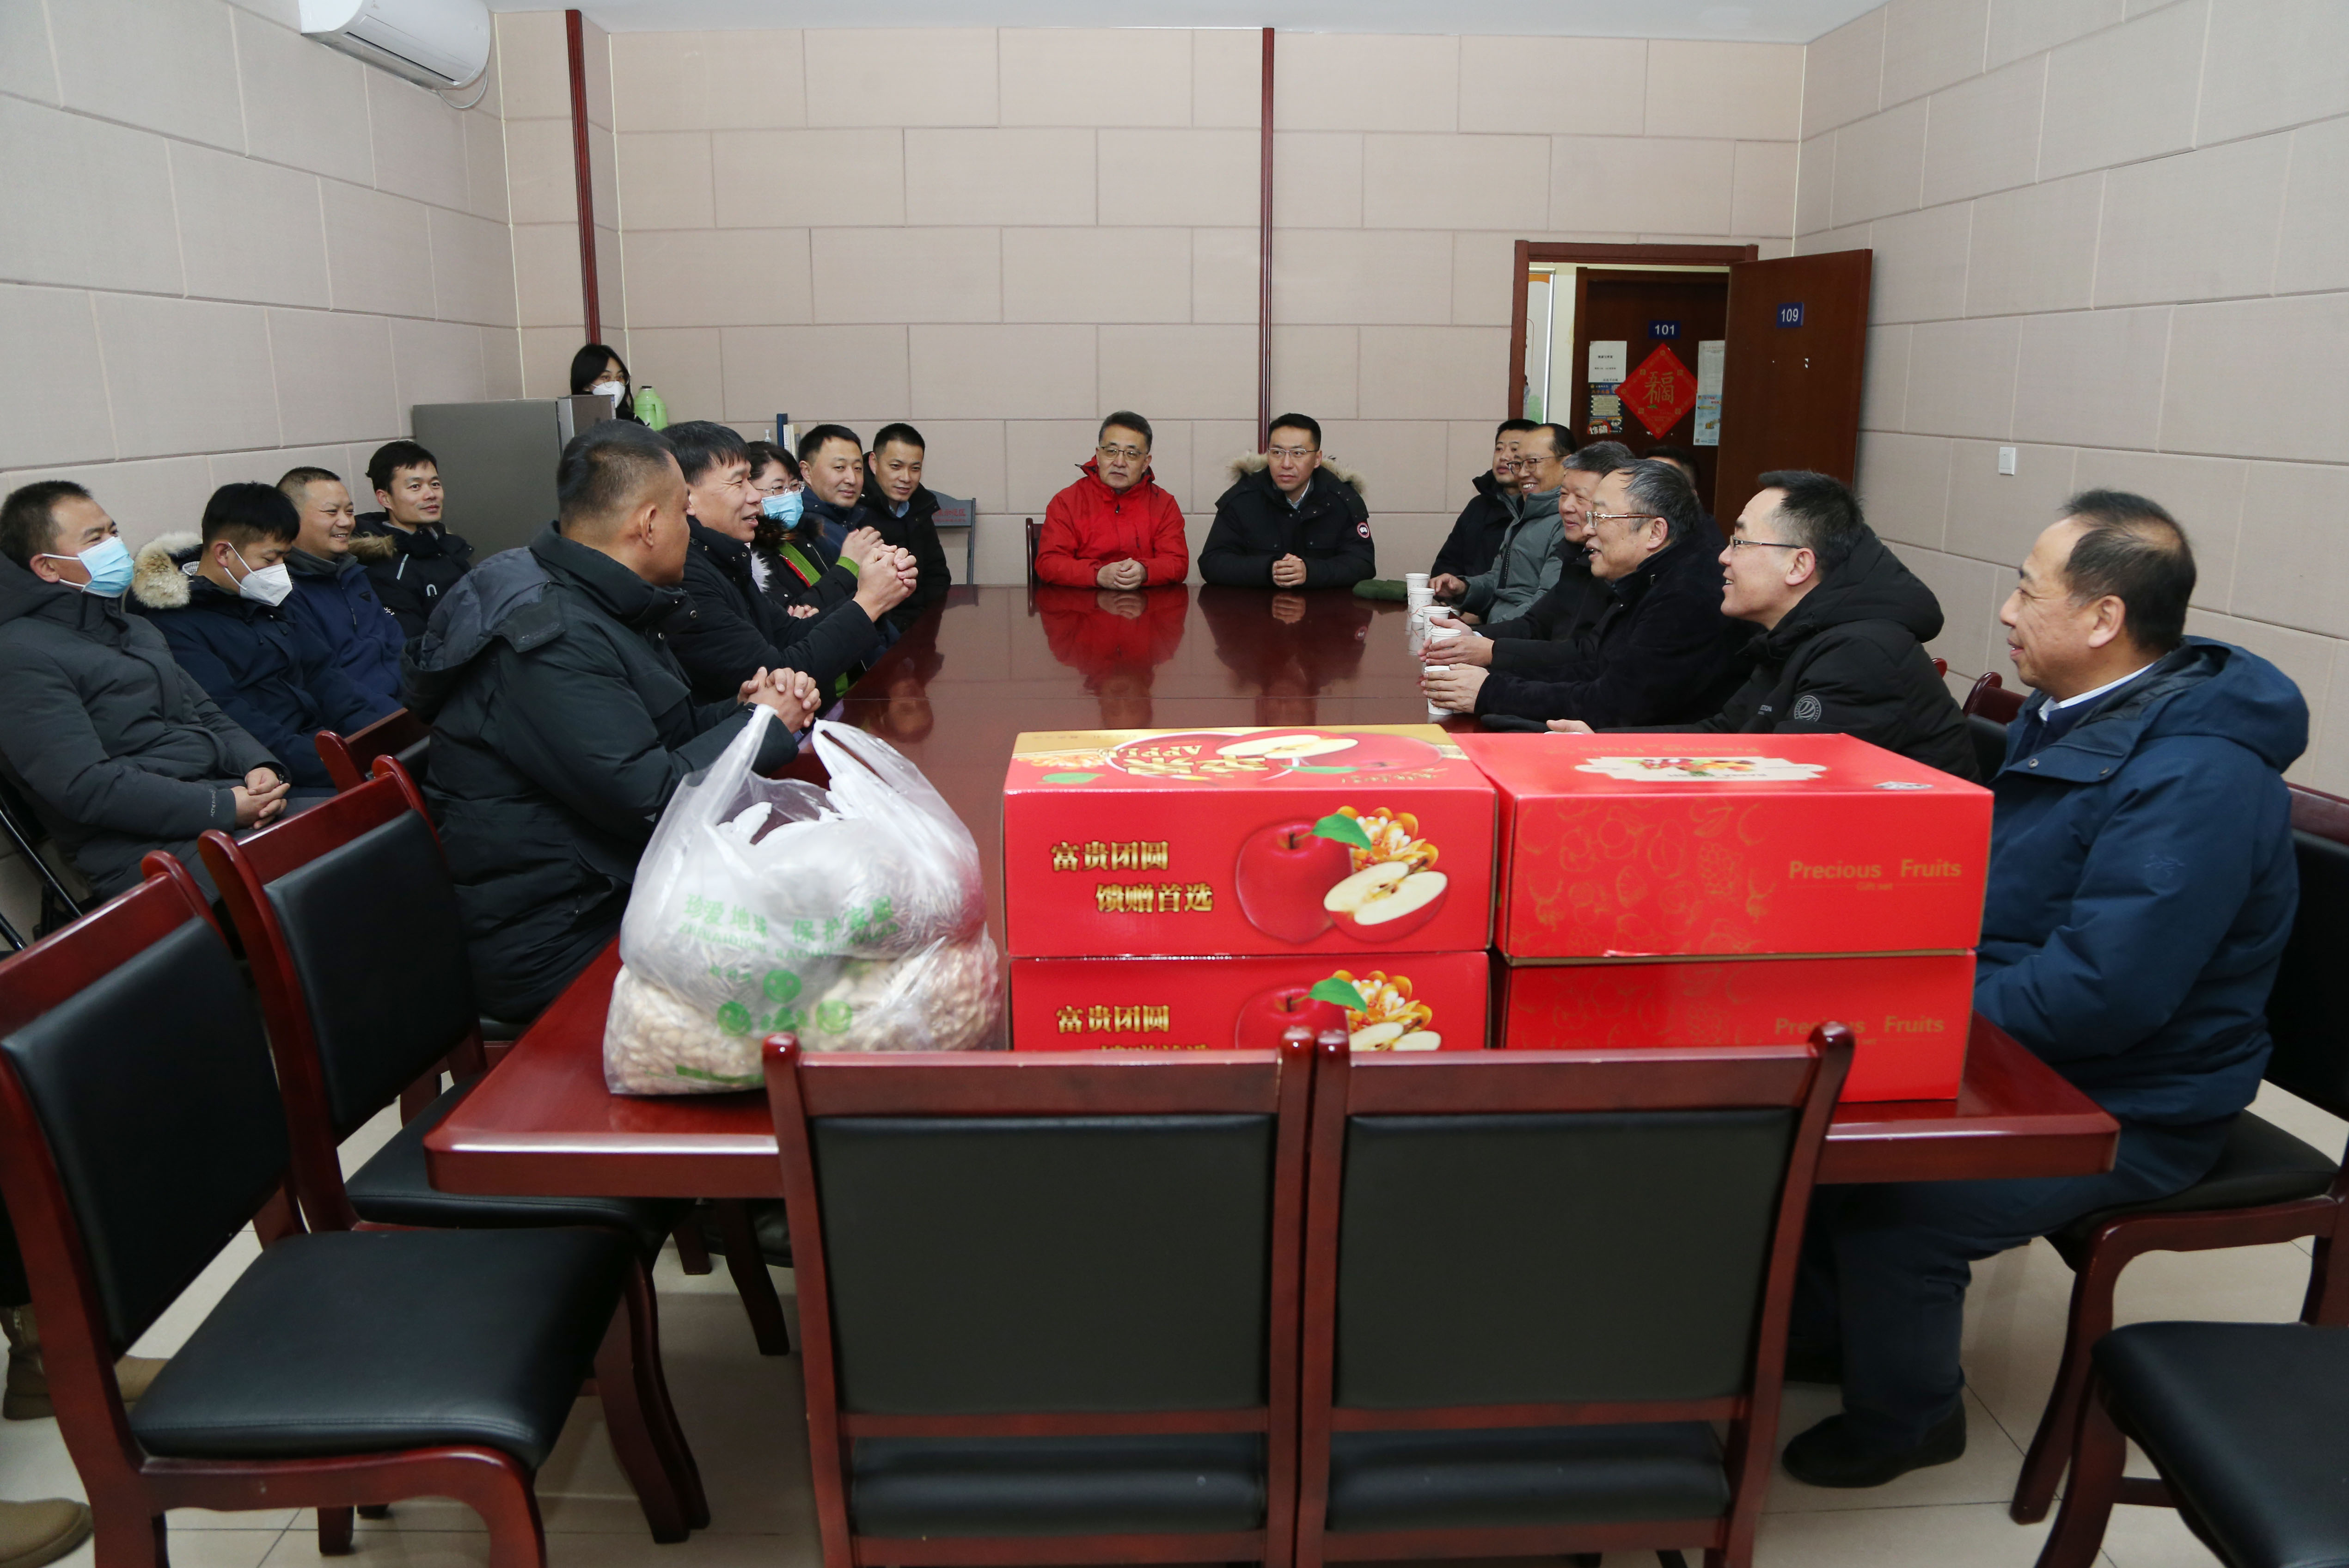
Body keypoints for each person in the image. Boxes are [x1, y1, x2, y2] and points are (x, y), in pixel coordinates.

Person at [1783, 492, 2308, 1488]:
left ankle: (1910, 1418)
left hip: (2139, 1098)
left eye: (2029, 590)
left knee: (1899, 1207)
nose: (2008, 610)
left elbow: (2105, 990)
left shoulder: (2196, 777)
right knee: (1810, 1132)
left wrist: (1915, 1022)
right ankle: (1829, 1337)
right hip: (2042, 1046)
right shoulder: (2077, 713)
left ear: (2105, 618)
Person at [405, 422, 823, 1020]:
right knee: (801, 983)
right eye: (684, 513)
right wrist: (761, 727)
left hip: (618, 887)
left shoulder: (599, 597)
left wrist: (743, 710)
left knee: (817, 910)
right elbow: (651, 801)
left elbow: (656, 737)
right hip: (562, 932)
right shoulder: (549, 636)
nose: (691, 529)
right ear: (649, 525)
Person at [1546, 471, 1978, 779]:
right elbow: (1725, 734)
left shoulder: (1861, 653)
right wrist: (1605, 745)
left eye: (1740, 542)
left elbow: (1783, 779)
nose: (1723, 557)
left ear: (1798, 565)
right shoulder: (1795, 635)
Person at [0, 481, 293, 900]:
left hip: (220, 801)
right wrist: (223, 807)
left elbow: (206, 713)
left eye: (113, 532)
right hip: (139, 851)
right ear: (47, 567)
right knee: (322, 866)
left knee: (358, 826)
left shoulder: (135, 628)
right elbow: (86, 788)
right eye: (95, 539)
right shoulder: (19, 655)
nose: (114, 546)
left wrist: (259, 766)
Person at [1422, 458, 1742, 727]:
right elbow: (1596, 665)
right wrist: (1489, 677)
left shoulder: (1688, 594)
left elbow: (1613, 704)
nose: (1589, 528)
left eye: (1599, 516)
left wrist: (1491, 691)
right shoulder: (1650, 574)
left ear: (1655, 531)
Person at [128, 484, 392, 791]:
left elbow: (326, 678)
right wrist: (341, 764)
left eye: (284, 558)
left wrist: (380, 739)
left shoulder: (266, 599)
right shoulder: (175, 625)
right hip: (276, 771)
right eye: (269, 559)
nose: (279, 571)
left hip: (325, 747)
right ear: (224, 553)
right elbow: (235, 720)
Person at [665, 420, 911, 704]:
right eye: (739, 482)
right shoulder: (686, 579)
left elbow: (791, 633)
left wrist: (875, 591)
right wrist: (870, 602)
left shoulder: (726, 561)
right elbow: (778, 676)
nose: (755, 496)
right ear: (687, 498)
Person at [1423, 440, 1632, 677]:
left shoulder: (1624, 571)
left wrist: (1492, 653)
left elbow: (1585, 657)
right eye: (1563, 495)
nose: (1566, 507)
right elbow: (1536, 623)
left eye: (1582, 498)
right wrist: (1474, 635)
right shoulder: (1577, 552)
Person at [276, 466, 406, 707]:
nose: (346, 522)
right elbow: (325, 682)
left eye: (350, 511)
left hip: (406, 704)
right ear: (290, 519)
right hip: (364, 715)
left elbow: (396, 642)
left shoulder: (353, 572)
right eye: (331, 512)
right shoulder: (285, 592)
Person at [1199, 414, 1374, 589]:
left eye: (1298, 453)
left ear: (1317, 459)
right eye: (1277, 453)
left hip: (1323, 604)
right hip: (1257, 604)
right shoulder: (1242, 498)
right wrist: (1269, 570)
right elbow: (1212, 563)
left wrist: (1311, 571)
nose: (1286, 464)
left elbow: (1363, 564)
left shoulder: (1342, 500)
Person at [1428, 423, 1574, 623]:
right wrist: (1463, 589)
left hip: (1518, 636)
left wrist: (1485, 633)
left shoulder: (1569, 520)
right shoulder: (1525, 516)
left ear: (1567, 465)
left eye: (1532, 462)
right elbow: (1499, 582)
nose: (1522, 473)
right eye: (1519, 464)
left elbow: (1548, 604)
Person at [1035, 411, 1190, 588]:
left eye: (1131, 454)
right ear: (1098, 455)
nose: (1119, 462)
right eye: (1111, 452)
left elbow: (1178, 563)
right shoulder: (1067, 502)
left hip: (1146, 603)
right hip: (1082, 604)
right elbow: (1048, 563)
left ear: (1146, 463)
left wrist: (1145, 571)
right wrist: (1097, 574)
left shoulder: (1164, 504)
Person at [354, 440, 472, 639]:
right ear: (385, 499)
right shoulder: (385, 568)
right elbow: (414, 645)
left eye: (435, 484)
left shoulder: (449, 547)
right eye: (415, 487)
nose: (431, 495)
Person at [859, 423, 952, 631]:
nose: (906, 478)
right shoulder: (857, 507)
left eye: (915, 469)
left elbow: (938, 575)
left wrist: (926, 625)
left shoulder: (920, 505)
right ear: (874, 463)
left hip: (920, 627)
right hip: (878, 630)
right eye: (896, 467)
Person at [1429, 418, 1535, 580]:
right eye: (1499, 449)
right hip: (1467, 595)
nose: (1503, 457)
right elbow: (1447, 563)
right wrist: (1449, 586)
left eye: (1515, 449)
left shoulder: (1540, 509)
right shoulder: (1478, 506)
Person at [570, 342, 641, 423]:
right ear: (586, 384)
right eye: (606, 377)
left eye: (620, 377)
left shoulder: (632, 420)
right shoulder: (573, 422)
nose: (616, 383)